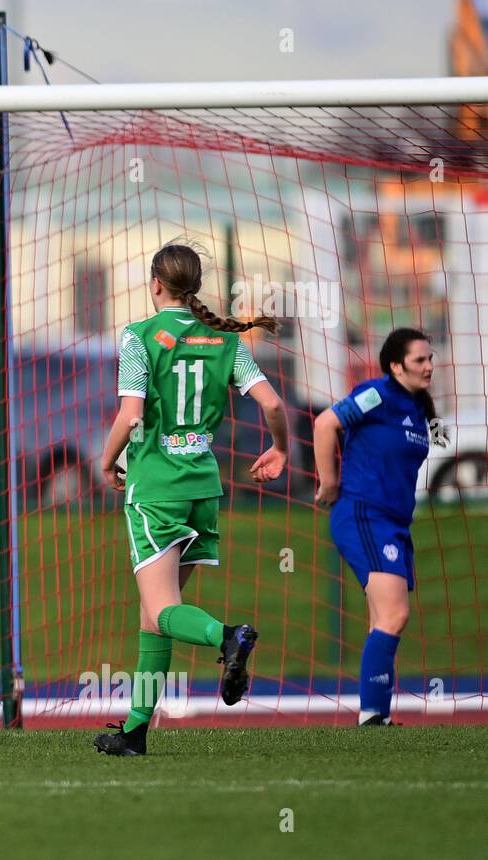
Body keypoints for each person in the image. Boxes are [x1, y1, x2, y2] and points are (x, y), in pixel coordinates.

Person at [94, 244, 288, 757]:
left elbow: (131, 414)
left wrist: (106, 459)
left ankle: (229, 636)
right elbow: (271, 402)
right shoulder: (225, 338)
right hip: (203, 487)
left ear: (155, 283)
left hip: (157, 487)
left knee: (161, 611)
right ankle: (134, 732)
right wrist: (281, 447)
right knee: (153, 615)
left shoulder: (139, 336)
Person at [314, 328, 436, 727]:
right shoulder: (377, 394)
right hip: (365, 514)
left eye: (430, 358)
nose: (429, 366)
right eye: (420, 360)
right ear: (397, 365)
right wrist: (330, 483)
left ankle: (376, 714)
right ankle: (371, 715)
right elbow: (325, 423)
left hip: (394, 522)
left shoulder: (418, 409)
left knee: (385, 617)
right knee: (395, 614)